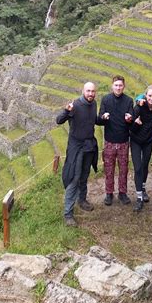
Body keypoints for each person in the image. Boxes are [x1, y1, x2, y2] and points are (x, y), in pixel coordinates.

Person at [56, 82, 99, 227]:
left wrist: (104, 119)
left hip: (89, 145)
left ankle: (82, 200)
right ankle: (68, 214)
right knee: (74, 178)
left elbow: (93, 120)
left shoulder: (94, 105)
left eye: (93, 91)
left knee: (84, 175)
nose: (90, 94)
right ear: (83, 91)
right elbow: (59, 120)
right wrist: (66, 111)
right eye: (88, 91)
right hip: (76, 146)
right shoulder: (75, 105)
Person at [97, 75, 134, 206]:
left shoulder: (129, 101)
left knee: (123, 169)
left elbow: (132, 121)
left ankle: (123, 193)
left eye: (120, 85)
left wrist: (130, 119)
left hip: (124, 141)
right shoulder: (106, 100)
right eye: (116, 85)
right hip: (109, 142)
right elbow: (99, 120)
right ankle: (109, 193)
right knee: (109, 169)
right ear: (112, 86)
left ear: (124, 86)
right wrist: (103, 117)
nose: (118, 87)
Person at [130, 86, 152, 212]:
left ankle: (143, 188)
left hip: (148, 141)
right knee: (137, 168)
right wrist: (136, 124)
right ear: (145, 96)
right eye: (149, 96)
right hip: (136, 141)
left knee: (145, 166)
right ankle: (139, 198)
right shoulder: (138, 107)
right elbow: (130, 127)